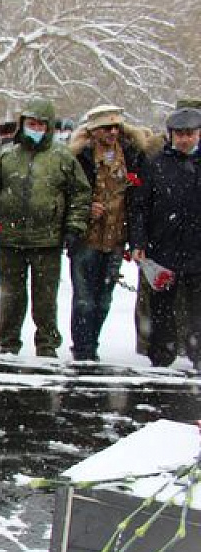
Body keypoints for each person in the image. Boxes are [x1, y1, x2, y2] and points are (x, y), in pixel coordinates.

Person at [0, 99, 91, 357]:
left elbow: (80, 195)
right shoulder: (5, 155)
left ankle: (47, 345)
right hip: (10, 238)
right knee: (11, 297)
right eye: (30, 124)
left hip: (47, 240)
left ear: (48, 127)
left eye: (40, 124)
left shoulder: (62, 157)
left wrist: (74, 226)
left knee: (45, 300)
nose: (34, 128)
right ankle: (8, 343)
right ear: (22, 125)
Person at [67, 104, 151, 361]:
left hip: (116, 238)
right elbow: (66, 194)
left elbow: (139, 201)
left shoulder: (132, 155)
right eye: (106, 128)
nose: (112, 132)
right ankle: (83, 349)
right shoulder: (79, 157)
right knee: (84, 299)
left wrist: (136, 239)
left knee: (104, 299)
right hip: (86, 238)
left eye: (116, 127)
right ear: (94, 131)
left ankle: (93, 340)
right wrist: (84, 210)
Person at [129, 107, 201, 369]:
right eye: (179, 134)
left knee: (197, 309)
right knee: (161, 308)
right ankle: (161, 354)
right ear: (170, 135)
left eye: (189, 134)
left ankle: (198, 353)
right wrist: (137, 242)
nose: (184, 139)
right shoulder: (156, 165)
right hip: (163, 248)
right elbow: (139, 207)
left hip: (196, 249)